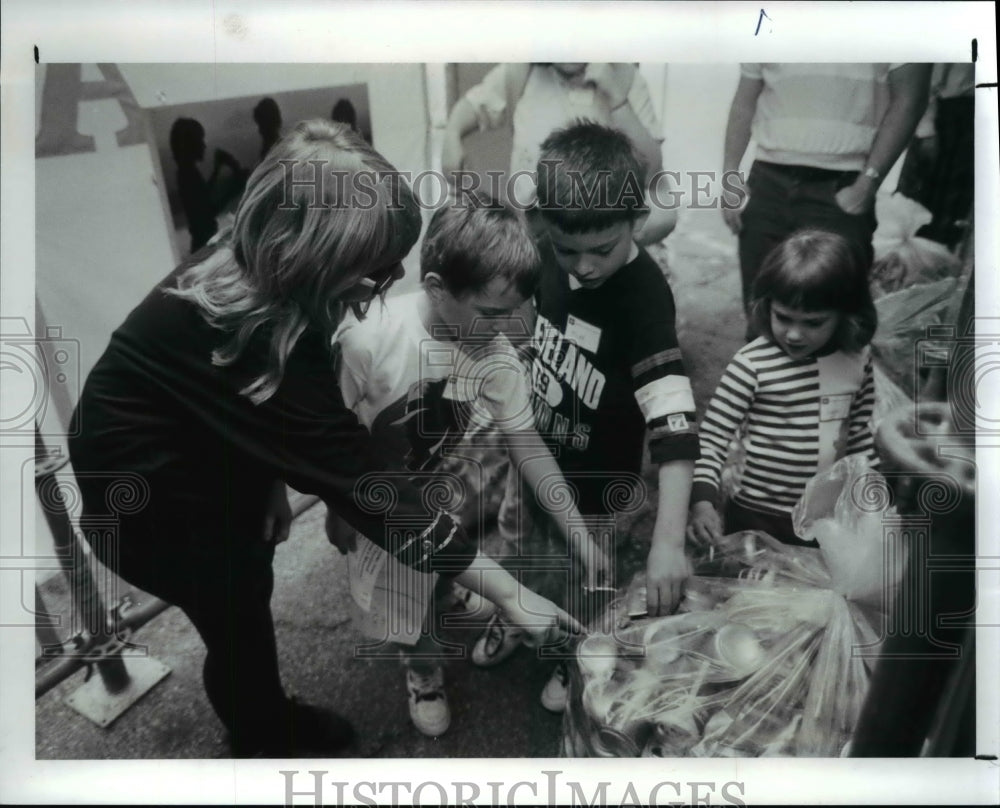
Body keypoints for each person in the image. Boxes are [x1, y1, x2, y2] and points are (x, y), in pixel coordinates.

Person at [68, 120, 579, 758]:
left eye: (397, 265)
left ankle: (259, 708)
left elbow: (251, 419)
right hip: (153, 507)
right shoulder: (251, 334)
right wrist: (506, 589)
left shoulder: (258, 272)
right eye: (371, 272)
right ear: (312, 258)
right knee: (239, 615)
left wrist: (268, 483)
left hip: (195, 462)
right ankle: (263, 736)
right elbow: (369, 487)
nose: (387, 285)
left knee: (244, 594)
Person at [333, 193, 610, 736]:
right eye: (492, 312)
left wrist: (576, 530)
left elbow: (528, 446)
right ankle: (424, 673)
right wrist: (337, 507)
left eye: (516, 311)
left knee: (439, 566)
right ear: (438, 288)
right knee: (403, 602)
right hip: (377, 501)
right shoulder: (366, 339)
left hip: (441, 495)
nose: (508, 328)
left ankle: (446, 587)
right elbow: (327, 436)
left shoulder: (495, 353)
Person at [472, 121, 700, 712]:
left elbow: (674, 426)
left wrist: (669, 541)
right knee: (520, 551)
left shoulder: (645, 299)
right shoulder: (548, 252)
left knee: (587, 580)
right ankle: (519, 619)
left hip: (600, 489)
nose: (584, 266)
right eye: (567, 248)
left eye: (602, 249)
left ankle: (570, 657)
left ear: (637, 219)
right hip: (535, 462)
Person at [688, 230, 879, 548]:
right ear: (766, 306)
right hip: (754, 511)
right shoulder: (752, 364)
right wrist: (703, 502)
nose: (794, 334)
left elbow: (858, 435)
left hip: (823, 516)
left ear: (847, 314)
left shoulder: (857, 361)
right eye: (783, 317)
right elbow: (711, 439)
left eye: (813, 322)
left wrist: (871, 496)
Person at [722, 63, 932, 337]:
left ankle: (832, 380)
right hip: (767, 179)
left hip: (841, 185)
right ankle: (764, 379)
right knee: (763, 315)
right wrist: (730, 179)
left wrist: (868, 183)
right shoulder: (765, 22)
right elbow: (744, 102)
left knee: (837, 320)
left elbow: (910, 99)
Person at [442, 63, 676, 245]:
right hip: (537, 220)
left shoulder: (624, 78)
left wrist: (617, 99)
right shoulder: (522, 73)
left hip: (599, 220)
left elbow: (652, 168)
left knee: (661, 215)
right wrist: (452, 134)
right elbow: (472, 105)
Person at [169, 117, 246, 253]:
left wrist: (216, 169)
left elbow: (203, 197)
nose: (204, 144)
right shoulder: (188, 175)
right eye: (200, 139)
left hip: (201, 243)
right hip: (204, 245)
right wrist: (234, 189)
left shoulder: (186, 172)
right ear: (191, 144)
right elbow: (208, 212)